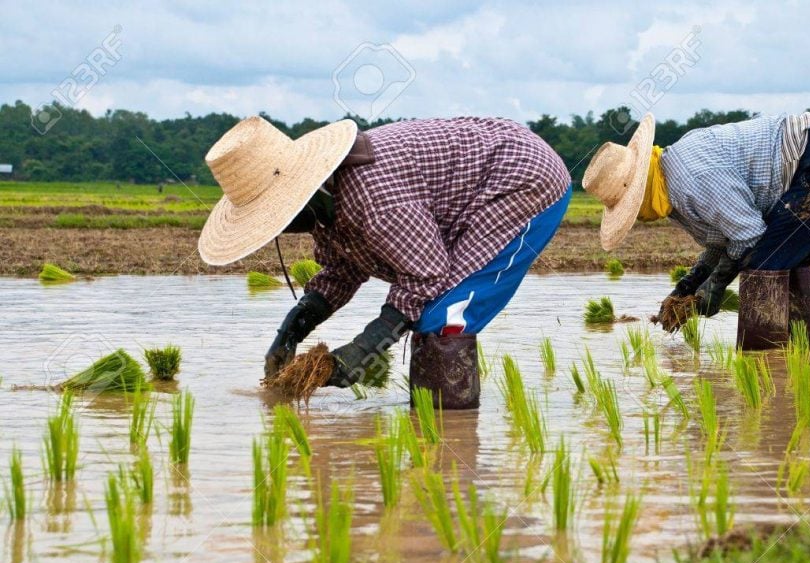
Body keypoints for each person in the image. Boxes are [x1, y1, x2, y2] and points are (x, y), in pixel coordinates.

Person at [198, 115, 571, 393]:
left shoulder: (373, 201)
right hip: (478, 183)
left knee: (444, 318)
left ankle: (449, 439)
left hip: (522, 180)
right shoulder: (328, 204)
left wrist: (366, 346)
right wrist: (292, 329)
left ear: (302, 195)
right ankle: (432, 416)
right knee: (429, 314)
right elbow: (340, 272)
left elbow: (426, 273)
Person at [582, 111, 810, 322]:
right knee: (787, 257)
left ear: (640, 190)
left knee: (764, 265)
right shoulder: (671, 182)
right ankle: (801, 348)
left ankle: (765, 358)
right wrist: (687, 287)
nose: (638, 218)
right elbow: (724, 240)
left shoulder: (692, 179)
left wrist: (716, 286)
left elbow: (749, 236)